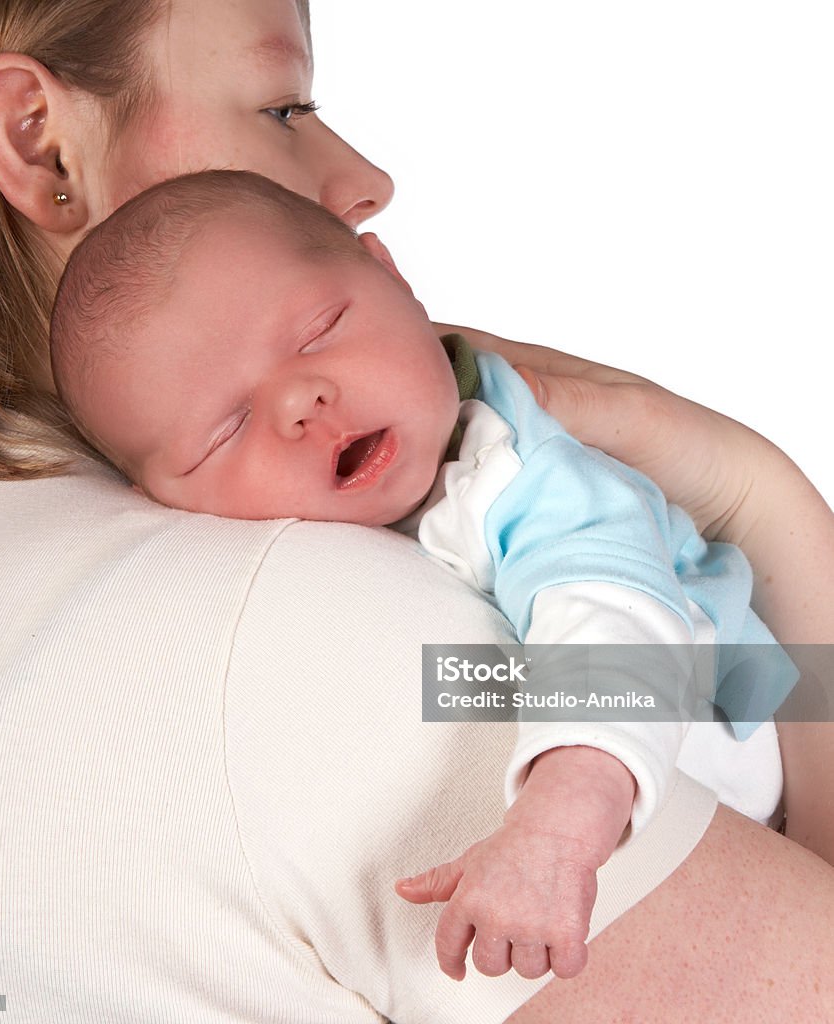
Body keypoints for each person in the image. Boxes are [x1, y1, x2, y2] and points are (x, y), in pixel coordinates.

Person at [0, 0, 833, 1020]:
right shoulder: (307, 622)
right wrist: (761, 495)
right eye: (282, 105)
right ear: (34, 135)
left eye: (315, 328)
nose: (367, 179)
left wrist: (751, 490)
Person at [48, 167, 797, 980]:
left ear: (394, 276)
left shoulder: (519, 475)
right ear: (157, 501)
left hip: (734, 745)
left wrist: (559, 824)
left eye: (319, 330)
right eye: (225, 431)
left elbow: (618, 622)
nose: (301, 400)